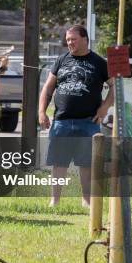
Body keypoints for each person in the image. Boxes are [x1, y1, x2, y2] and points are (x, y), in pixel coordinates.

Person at [38, 24, 114, 207]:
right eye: (68, 39)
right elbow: (48, 88)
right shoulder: (61, 60)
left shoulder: (99, 62)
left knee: (86, 164)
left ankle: (87, 201)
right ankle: (54, 201)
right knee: (59, 163)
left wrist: (104, 108)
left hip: (88, 122)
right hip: (61, 121)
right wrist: (41, 112)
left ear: (85, 39)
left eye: (73, 39)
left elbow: (115, 87)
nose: (69, 42)